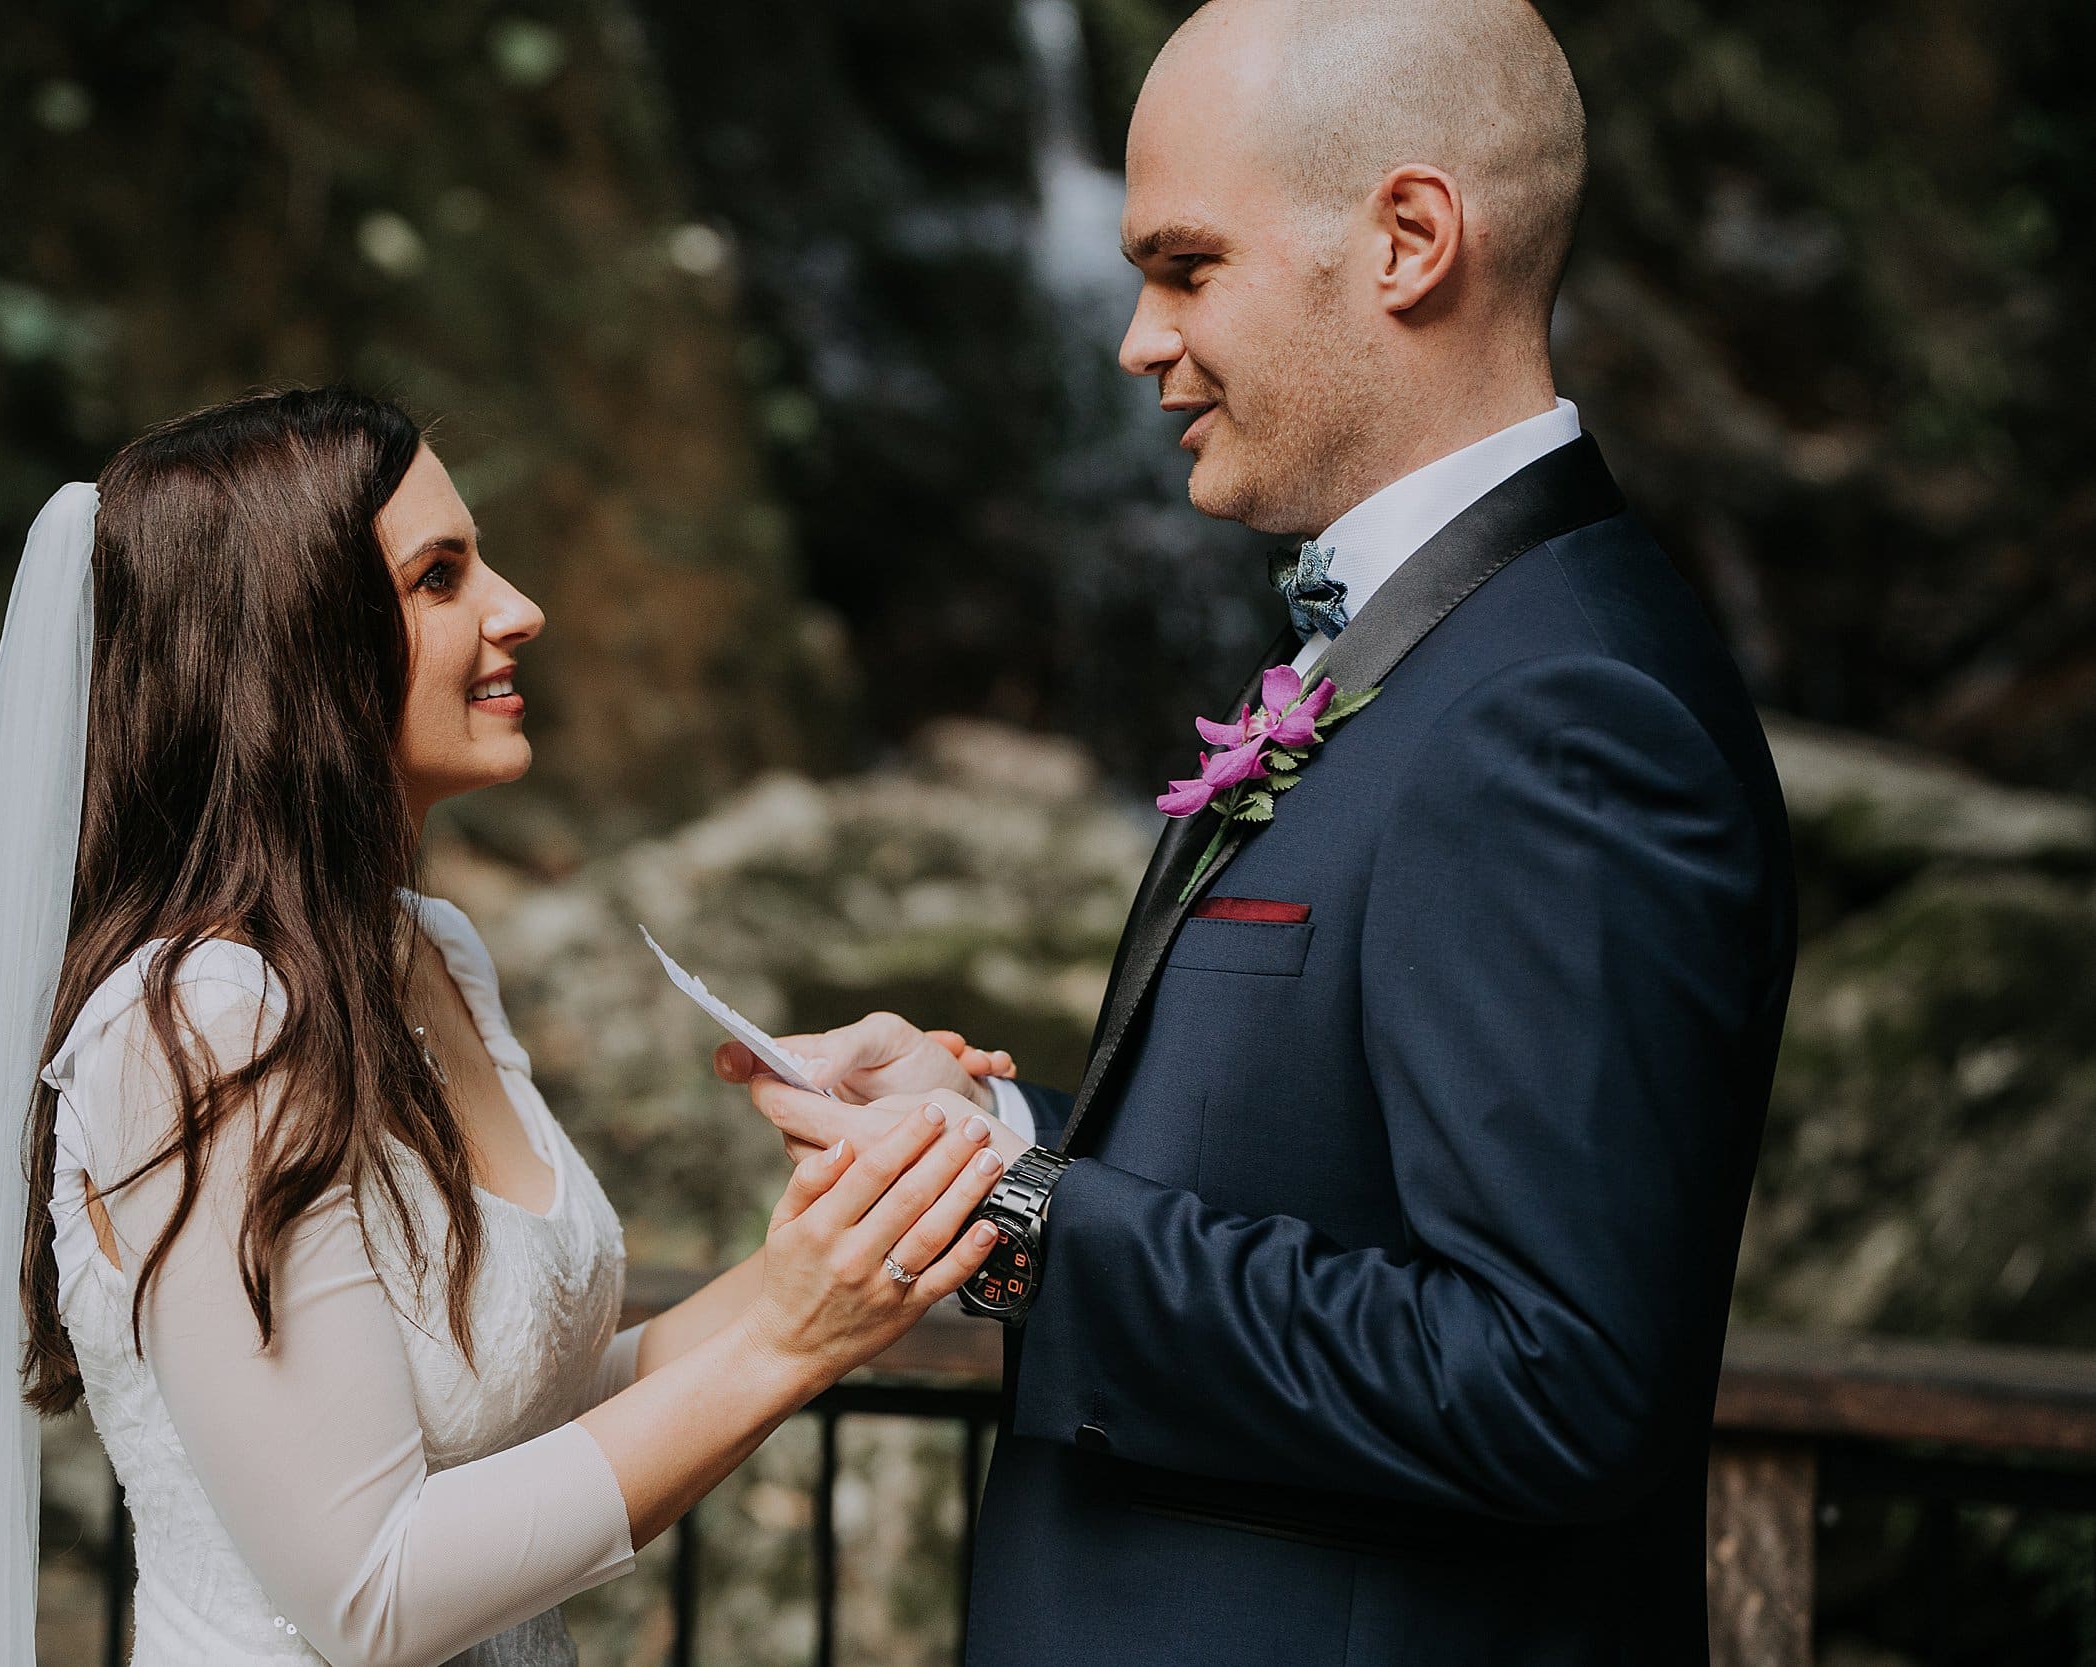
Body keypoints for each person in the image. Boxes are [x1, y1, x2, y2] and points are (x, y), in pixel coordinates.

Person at [725, 1, 1797, 1660]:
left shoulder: (1565, 706)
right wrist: (991, 1125)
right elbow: (1318, 1168)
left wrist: (1031, 1213)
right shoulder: (1437, 641)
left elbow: (1551, 1379)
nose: (1138, 340)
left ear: (1408, 239)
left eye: (1187, 266)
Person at [0, 387, 1010, 1667]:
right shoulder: (197, 1024)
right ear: (292, 646)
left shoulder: (427, 953)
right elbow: (368, 1592)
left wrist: (835, 1247)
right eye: (441, 576)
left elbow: (518, 1437)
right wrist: (784, 1333)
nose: (519, 607)